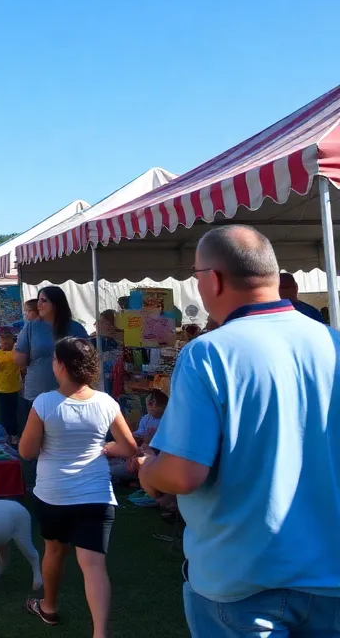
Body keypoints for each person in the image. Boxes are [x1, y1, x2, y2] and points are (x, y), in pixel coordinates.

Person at [139, 226, 340, 636]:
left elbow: (182, 474)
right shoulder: (333, 342)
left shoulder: (209, 352)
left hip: (241, 580)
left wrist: (147, 471)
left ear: (212, 279)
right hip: (330, 574)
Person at [19, 337, 137, 635]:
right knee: (94, 565)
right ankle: (100, 632)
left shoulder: (45, 402)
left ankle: (49, 607)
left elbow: (26, 452)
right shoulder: (106, 402)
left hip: (53, 495)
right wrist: (106, 447)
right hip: (96, 495)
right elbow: (128, 447)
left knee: (54, 552)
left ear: (60, 365)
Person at [14, 286, 89, 432]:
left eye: (44, 301)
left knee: (65, 437)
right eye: (39, 300)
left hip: (70, 394)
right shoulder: (31, 328)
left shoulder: (75, 328)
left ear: (56, 303)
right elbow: (19, 359)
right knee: (35, 442)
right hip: (37, 393)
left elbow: (87, 358)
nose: (38, 305)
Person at [108, 390, 167, 483]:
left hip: (154, 458)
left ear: (165, 405)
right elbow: (140, 433)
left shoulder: (167, 421)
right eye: (148, 404)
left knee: (111, 470)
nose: (151, 407)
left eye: (153, 404)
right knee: (111, 462)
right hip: (141, 452)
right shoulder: (146, 418)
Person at [0, 328, 22, 441]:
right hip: (3, 389)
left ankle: (13, 434)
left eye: (7, 341)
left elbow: (22, 367)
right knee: (6, 413)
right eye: (3, 341)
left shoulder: (15, 353)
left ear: (13, 341)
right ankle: (6, 434)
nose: (5, 343)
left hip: (14, 388)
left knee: (12, 413)